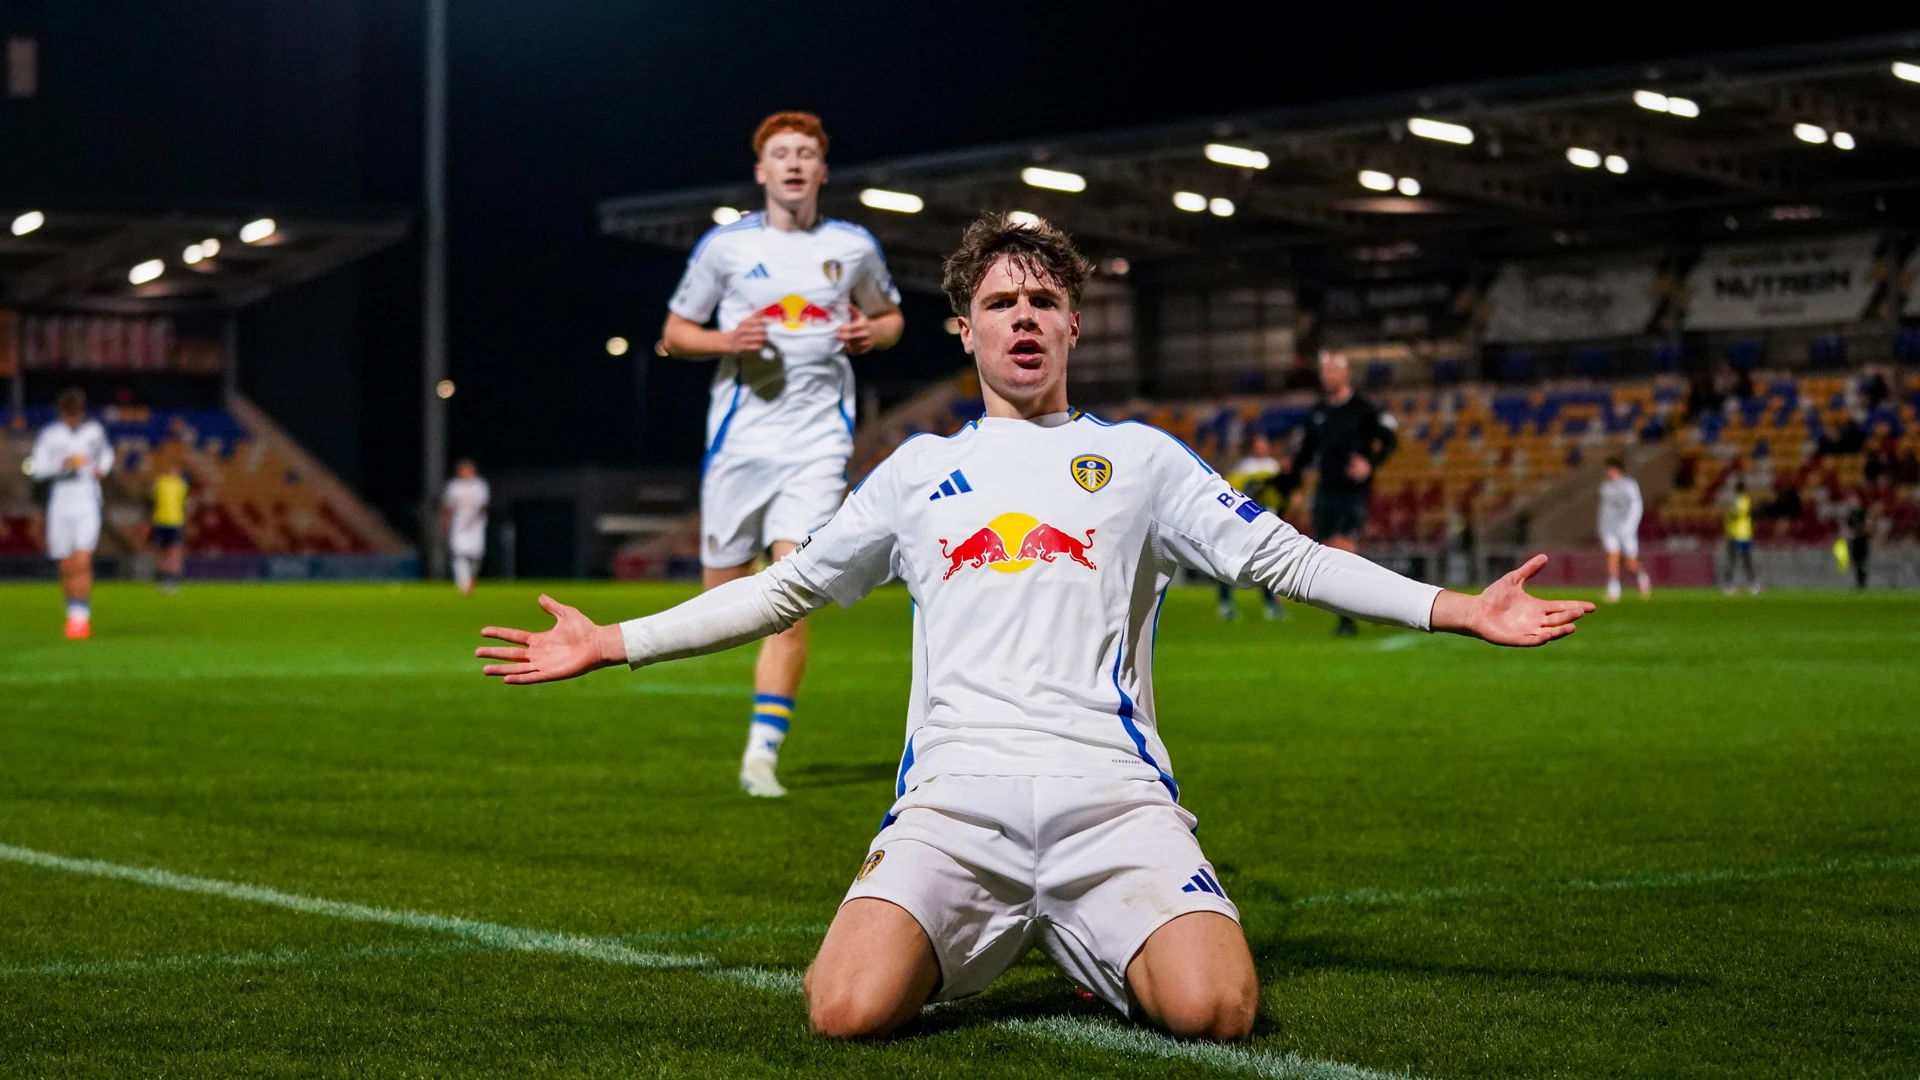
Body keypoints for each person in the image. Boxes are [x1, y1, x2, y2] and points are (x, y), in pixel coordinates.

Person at [476, 214, 1594, 1042]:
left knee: (1218, 1009)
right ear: (963, 329)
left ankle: (1083, 935)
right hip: (954, 804)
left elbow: (1285, 558)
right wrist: (613, 640)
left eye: (1042, 301)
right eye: (1000, 303)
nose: (1023, 318)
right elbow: (785, 590)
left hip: (1114, 798)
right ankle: (1022, 925)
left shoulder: (1145, 461)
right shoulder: (919, 473)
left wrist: (1457, 609)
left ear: (1070, 324)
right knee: (842, 1011)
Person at [659, 110, 905, 797]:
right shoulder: (724, 248)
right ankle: (754, 732)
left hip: (818, 443)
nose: (794, 164)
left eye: (805, 154)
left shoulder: (853, 246)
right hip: (740, 444)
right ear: (762, 171)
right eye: (781, 154)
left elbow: (890, 318)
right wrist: (723, 341)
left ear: (821, 171)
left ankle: (761, 755)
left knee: (790, 592)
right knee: (722, 605)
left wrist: (871, 332)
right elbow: (675, 333)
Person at [1283, 351, 1399, 637]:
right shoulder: (1319, 412)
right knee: (1328, 552)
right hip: (1326, 488)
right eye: (1325, 370)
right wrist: (1292, 485)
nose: (1329, 375)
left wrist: (1370, 464)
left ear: (1346, 374)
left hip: (1352, 490)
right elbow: (1305, 452)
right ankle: (1369, 603)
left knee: (1343, 547)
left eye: (1334, 370)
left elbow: (1389, 439)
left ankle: (1351, 615)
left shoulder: (1363, 409)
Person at [29, 389, 114, 639]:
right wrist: (60, 465)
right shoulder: (50, 435)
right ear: (62, 412)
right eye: (69, 412)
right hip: (61, 500)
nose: (73, 417)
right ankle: (72, 612)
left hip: (86, 498)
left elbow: (106, 455)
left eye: (76, 412)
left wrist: (102, 468)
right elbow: (38, 468)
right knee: (66, 563)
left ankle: (81, 619)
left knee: (82, 559)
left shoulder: (94, 433)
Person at [1216, 430, 1287, 621]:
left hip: (1270, 518)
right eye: (1260, 442)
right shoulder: (1245, 468)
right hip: (1247, 521)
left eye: (1264, 442)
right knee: (1233, 561)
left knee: (1267, 562)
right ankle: (1226, 603)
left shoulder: (1273, 466)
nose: (1263, 446)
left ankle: (1272, 605)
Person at [1597, 456, 1649, 602]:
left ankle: (1641, 576)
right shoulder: (1606, 487)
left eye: (1611, 469)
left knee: (1630, 563)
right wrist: (1602, 526)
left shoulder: (1629, 485)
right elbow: (1605, 509)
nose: (1608, 472)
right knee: (1612, 556)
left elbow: (1636, 507)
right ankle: (1613, 590)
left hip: (1627, 529)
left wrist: (1630, 525)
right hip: (1609, 528)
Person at [441, 458, 490, 596]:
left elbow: (483, 505)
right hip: (458, 527)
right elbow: (447, 508)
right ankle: (463, 585)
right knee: (459, 555)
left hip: (475, 527)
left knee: (476, 556)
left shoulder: (480, 486)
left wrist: (473, 519)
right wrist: (444, 525)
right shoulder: (454, 486)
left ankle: (471, 579)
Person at [149, 460, 189, 594]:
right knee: (161, 551)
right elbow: (151, 493)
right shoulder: (161, 482)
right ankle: (162, 576)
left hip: (175, 521)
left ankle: (174, 577)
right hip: (161, 520)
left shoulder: (181, 484)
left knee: (175, 550)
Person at [1722, 477, 1758, 595]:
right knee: (1746, 561)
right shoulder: (1745, 501)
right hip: (1743, 535)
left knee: (1733, 561)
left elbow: (1732, 517)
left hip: (1735, 534)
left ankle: (1729, 585)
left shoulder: (1736, 501)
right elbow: (1748, 517)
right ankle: (1752, 585)